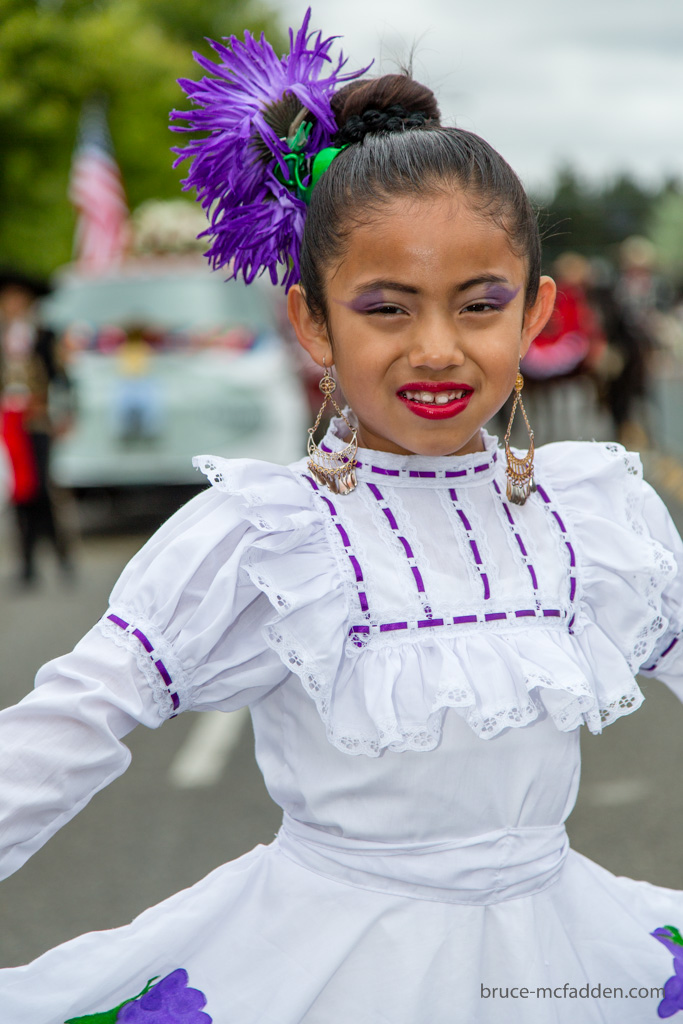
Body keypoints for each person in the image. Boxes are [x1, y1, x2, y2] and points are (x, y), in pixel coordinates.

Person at [1, 12, 683, 1022]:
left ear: (535, 314)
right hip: (320, 969)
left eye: (478, 303)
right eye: (386, 307)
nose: (437, 347)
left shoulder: (592, 516)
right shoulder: (268, 535)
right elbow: (67, 728)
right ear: (311, 319)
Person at [0, 270, 75, 585]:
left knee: (43, 488)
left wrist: (66, 412)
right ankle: (27, 563)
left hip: (37, 420)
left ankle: (61, 554)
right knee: (19, 492)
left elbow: (63, 378)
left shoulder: (45, 335)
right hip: (7, 423)